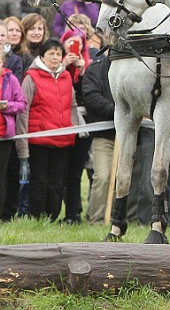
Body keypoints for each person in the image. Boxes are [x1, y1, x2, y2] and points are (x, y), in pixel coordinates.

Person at [16, 38, 81, 221]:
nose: (54, 57)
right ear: (42, 56)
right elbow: (24, 109)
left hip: (62, 140)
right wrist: (23, 141)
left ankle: (52, 217)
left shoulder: (66, 76)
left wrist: (73, 128)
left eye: (58, 54)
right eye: (50, 53)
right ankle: (36, 217)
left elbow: (73, 106)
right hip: (39, 140)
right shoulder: (31, 77)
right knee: (39, 181)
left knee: (57, 183)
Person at [59, 29, 91, 223]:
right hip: (61, 123)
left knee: (76, 172)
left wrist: (83, 70)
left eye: (79, 43)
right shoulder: (56, 62)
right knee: (60, 170)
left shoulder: (87, 66)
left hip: (83, 124)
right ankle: (56, 210)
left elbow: (88, 93)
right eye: (71, 42)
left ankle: (73, 213)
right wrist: (63, 66)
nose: (74, 47)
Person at [81, 52, 114, 224]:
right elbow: (91, 96)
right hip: (104, 135)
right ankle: (97, 219)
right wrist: (117, 111)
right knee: (102, 177)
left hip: (130, 136)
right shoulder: (96, 69)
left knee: (124, 180)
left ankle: (119, 218)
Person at [0, 44, 26, 221]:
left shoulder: (10, 78)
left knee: (2, 176)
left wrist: (6, 106)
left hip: (4, 136)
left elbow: (22, 104)